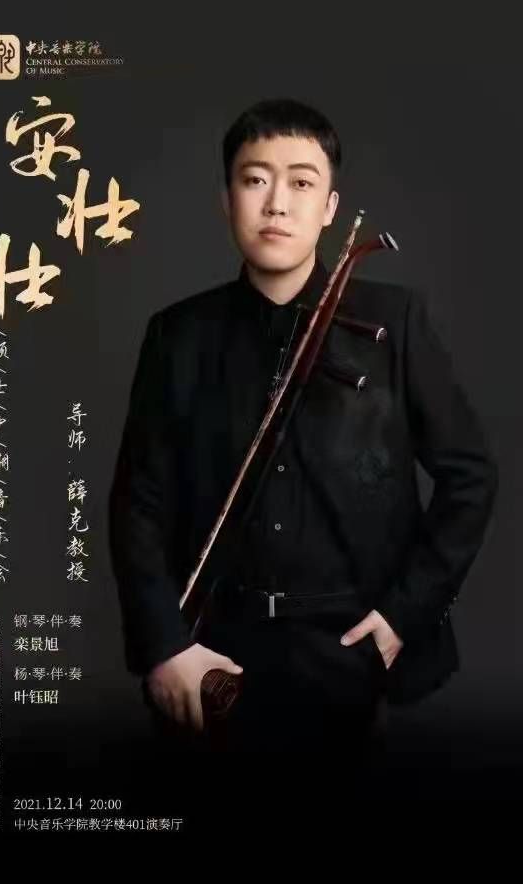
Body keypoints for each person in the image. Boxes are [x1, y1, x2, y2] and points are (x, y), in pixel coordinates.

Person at [109, 98, 498, 774]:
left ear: (329, 207)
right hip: (216, 657)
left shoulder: (396, 321)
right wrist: (166, 646)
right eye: (255, 180)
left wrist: (404, 615)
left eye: (301, 182)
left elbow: (471, 476)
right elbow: (138, 503)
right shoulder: (178, 335)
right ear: (226, 199)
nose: (277, 204)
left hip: (359, 655)